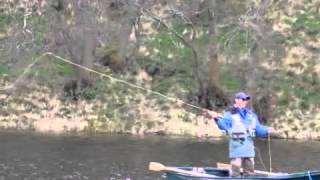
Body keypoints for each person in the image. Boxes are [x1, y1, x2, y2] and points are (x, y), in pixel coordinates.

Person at [206, 91, 275, 177]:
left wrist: (267, 130)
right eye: (243, 99)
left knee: (250, 173)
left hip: (249, 149)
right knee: (235, 173)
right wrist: (216, 118)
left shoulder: (251, 115)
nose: (245, 101)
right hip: (236, 149)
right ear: (236, 100)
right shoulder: (229, 114)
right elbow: (223, 126)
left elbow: (258, 129)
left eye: (246, 99)